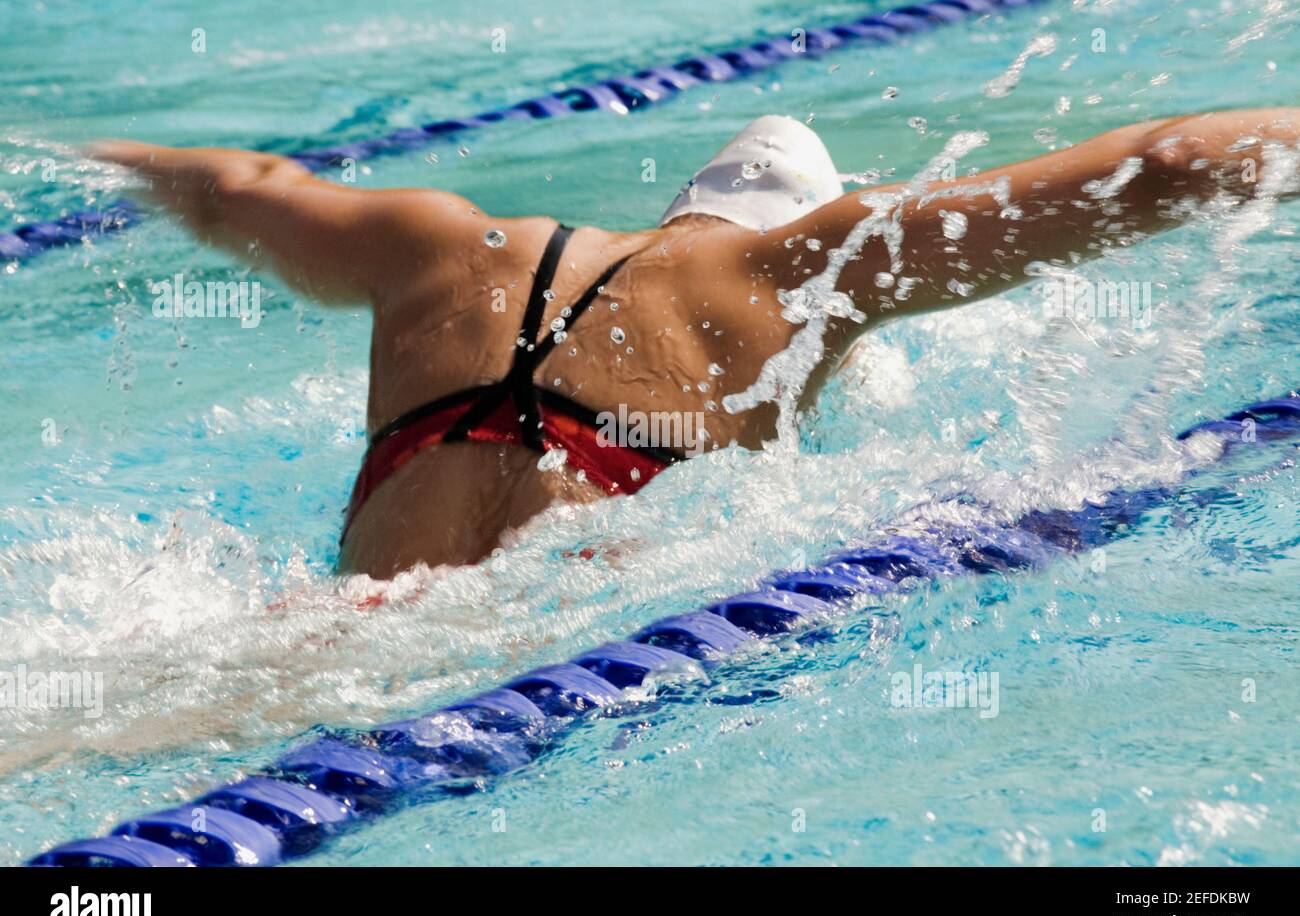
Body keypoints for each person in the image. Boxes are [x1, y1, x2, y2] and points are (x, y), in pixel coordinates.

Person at [91, 108, 1300, 577]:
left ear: (680, 207)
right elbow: (1171, 166)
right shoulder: (805, 268)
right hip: (503, 661)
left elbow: (232, 184)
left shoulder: (445, 242)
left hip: (324, 624)